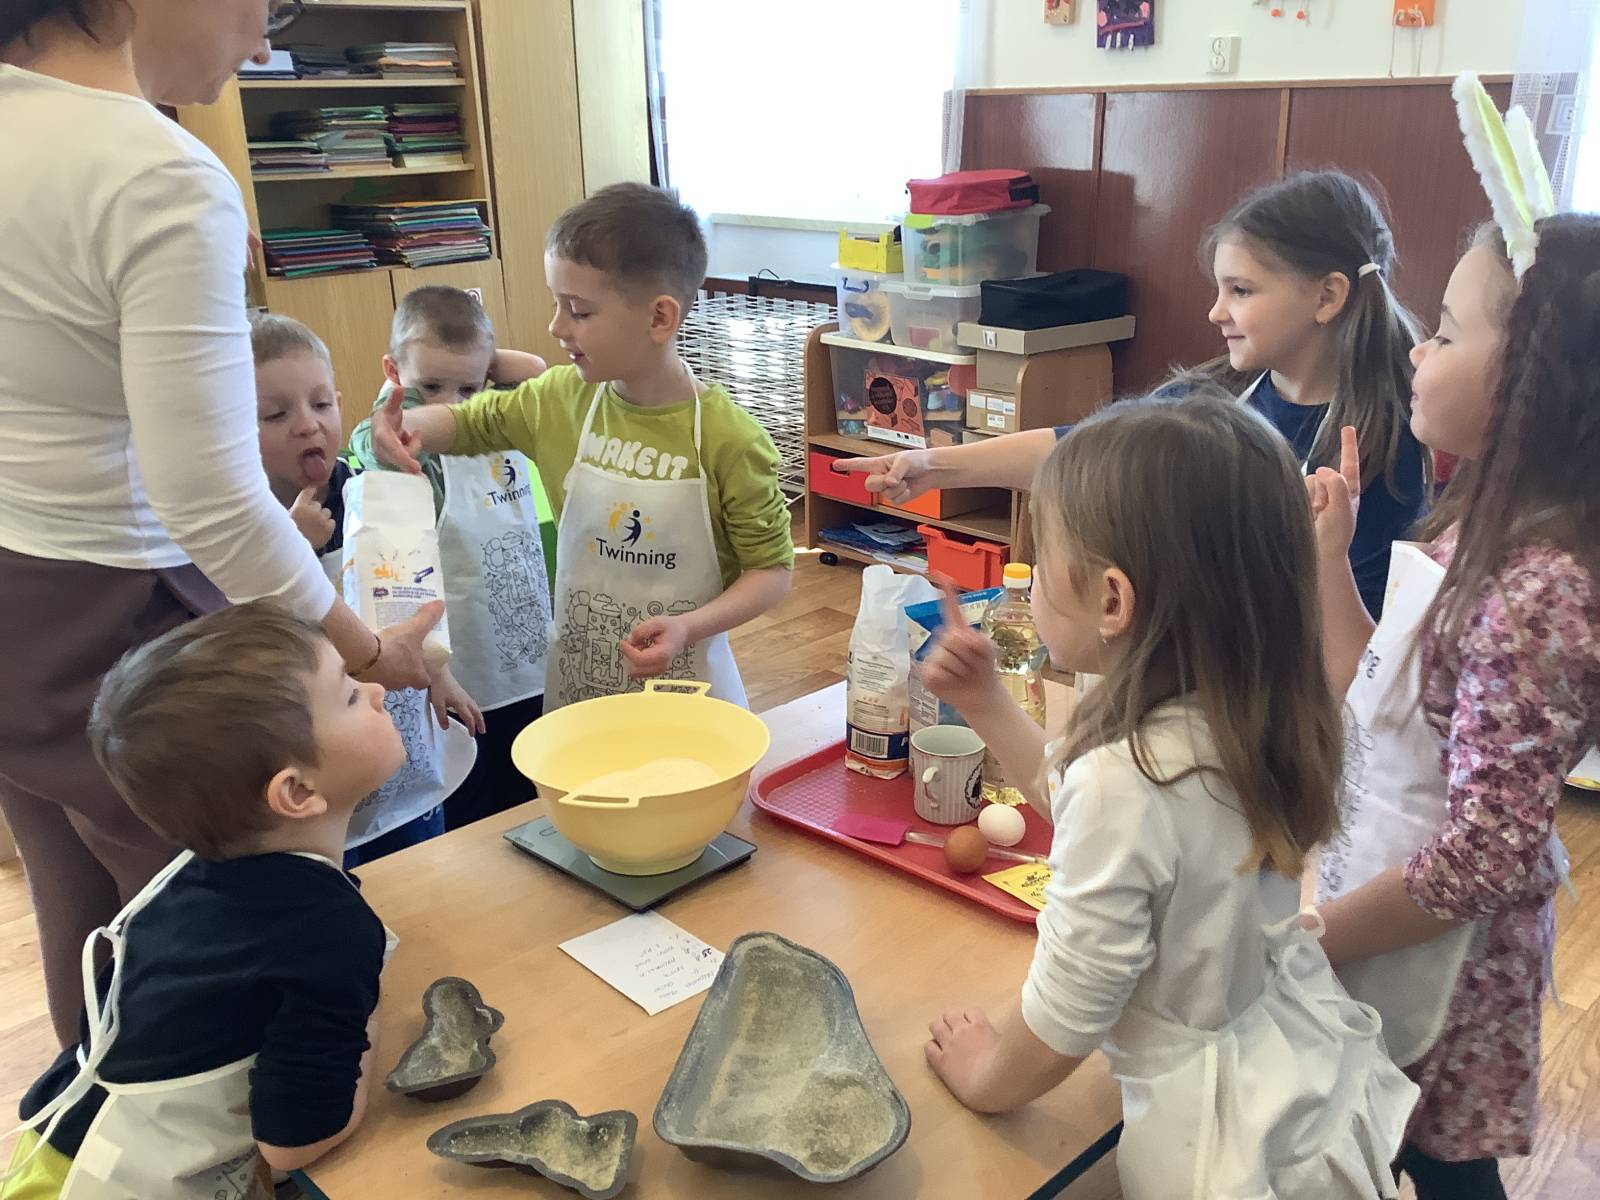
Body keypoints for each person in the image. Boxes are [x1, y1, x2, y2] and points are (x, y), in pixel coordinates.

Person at [0, 0, 441, 1047]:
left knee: (81, 909)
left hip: (15, 597)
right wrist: (365, 652)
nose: (264, 42)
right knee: (216, 934)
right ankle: (244, 1123)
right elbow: (211, 500)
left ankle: (87, 1112)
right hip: (115, 605)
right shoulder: (149, 171)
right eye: (266, 3)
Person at [921, 392, 1418, 1198]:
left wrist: (987, 1076)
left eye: (1043, 559)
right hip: (1285, 1069)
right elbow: (1091, 803)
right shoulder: (1249, 714)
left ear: (1113, 601)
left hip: (1209, 1147)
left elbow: (1068, 1012)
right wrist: (987, 704)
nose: (1033, 578)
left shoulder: (1131, 777)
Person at [1309, 177, 1599, 1196]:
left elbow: (1484, 856)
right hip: (1385, 902)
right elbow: (1377, 692)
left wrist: (1310, 939)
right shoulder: (1475, 523)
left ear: (1531, 378)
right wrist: (1331, 557)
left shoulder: (1541, 592)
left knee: (1435, 1165)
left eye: (1442, 331)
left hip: (1447, 972)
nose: (1415, 352)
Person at [836, 170, 1428, 618]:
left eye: (1241, 291)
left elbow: (1358, 643)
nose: (1216, 311)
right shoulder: (1210, 399)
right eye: (1220, 289)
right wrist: (934, 465)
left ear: (1327, 297)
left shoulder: (1385, 447)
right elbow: (1084, 448)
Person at [1, 603, 397, 1198]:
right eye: (348, 695)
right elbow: (292, 1145)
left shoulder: (189, 872)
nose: (376, 692)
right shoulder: (327, 932)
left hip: (56, 1146)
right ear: (296, 791)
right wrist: (367, 1027)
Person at [367, 183, 794, 710]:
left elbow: (772, 571)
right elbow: (469, 422)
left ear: (659, 318)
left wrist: (688, 626)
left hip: (689, 693)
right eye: (556, 304)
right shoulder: (558, 400)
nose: (556, 326)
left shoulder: (731, 439)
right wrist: (405, 426)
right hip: (580, 689)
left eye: (579, 311)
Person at [252, 313, 479, 863]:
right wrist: (291, 549)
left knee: (427, 869)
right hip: (324, 793)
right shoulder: (243, 529)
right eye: (277, 414)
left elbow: (409, 590)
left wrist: (439, 672)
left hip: (405, 761)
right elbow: (253, 643)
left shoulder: (365, 491)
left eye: (321, 405)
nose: (308, 426)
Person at [349, 286, 551, 828]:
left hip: (525, 651)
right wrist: (436, 669)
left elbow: (536, 371)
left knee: (532, 788)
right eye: (431, 386)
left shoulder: (494, 410)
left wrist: (477, 362)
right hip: (457, 667)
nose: (451, 405)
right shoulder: (401, 436)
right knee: (476, 802)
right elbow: (370, 441)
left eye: (468, 387)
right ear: (393, 372)